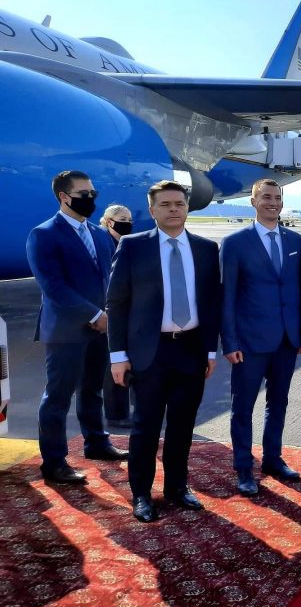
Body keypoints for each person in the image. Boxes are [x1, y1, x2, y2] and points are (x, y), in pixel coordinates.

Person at [107, 181, 221, 522]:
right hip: (149, 352)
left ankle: (177, 487)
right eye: (165, 204)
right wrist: (117, 355)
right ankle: (141, 493)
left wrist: (210, 352)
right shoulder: (132, 246)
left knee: (182, 426)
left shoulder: (206, 249)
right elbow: (117, 302)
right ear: (152, 210)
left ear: (187, 208)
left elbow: (211, 303)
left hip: (190, 349)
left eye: (179, 204)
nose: (173, 209)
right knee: (145, 427)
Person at [26, 170, 127, 484]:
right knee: (58, 397)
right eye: (84, 194)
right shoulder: (44, 234)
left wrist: (110, 312)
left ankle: (96, 442)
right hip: (66, 331)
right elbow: (53, 287)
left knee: (92, 390)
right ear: (64, 197)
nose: (91, 199)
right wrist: (94, 315)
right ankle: (54, 462)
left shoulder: (99, 234)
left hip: (100, 328)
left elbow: (108, 278)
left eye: (93, 193)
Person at [220, 179, 301, 497]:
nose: (273, 202)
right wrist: (230, 342)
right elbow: (227, 296)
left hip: (286, 339)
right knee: (243, 407)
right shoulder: (235, 243)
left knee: (278, 402)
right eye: (266, 197)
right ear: (253, 202)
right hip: (249, 342)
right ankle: (244, 467)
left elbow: (300, 290)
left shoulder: (295, 240)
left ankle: (273, 458)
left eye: (277, 197)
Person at [98, 204, 134, 428]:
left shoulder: (123, 242)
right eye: (122, 219)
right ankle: (116, 414)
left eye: (129, 219)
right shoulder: (103, 243)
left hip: (122, 310)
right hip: (108, 311)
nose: (127, 223)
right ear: (109, 221)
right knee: (113, 362)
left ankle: (123, 410)